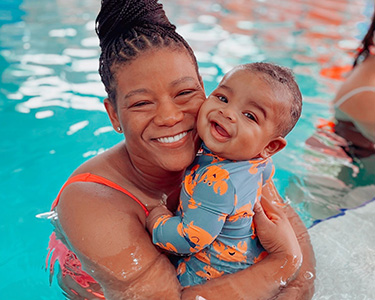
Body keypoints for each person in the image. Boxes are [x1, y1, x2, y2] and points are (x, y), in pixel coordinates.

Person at [46, 0, 315, 299]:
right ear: (113, 115)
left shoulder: (227, 152)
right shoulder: (91, 203)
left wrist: (294, 282)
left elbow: (292, 236)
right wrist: (282, 264)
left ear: (204, 88)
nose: (170, 117)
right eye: (141, 103)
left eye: (185, 93)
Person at [146, 62, 302, 287]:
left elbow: (189, 239)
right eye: (222, 98)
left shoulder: (218, 182)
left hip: (208, 275)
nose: (227, 113)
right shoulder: (260, 164)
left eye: (249, 115)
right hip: (247, 259)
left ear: (271, 147)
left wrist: (156, 219)